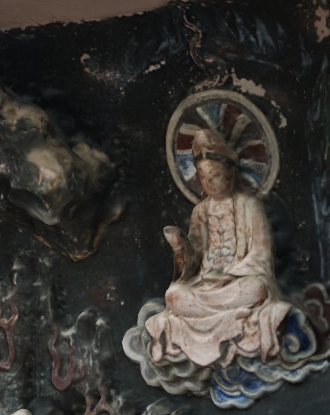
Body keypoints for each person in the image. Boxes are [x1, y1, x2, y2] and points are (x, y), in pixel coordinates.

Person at [129, 145, 306, 381]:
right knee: (173, 295)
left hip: (239, 281)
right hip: (205, 286)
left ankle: (225, 324)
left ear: (230, 174)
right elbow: (193, 262)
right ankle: (215, 324)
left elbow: (262, 252)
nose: (209, 182)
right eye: (203, 177)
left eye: (214, 176)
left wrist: (233, 272)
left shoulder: (249, 205)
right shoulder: (200, 212)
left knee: (257, 289)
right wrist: (180, 246)